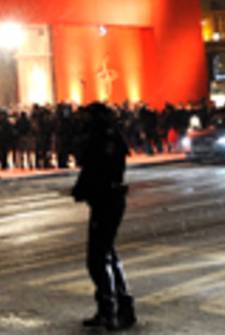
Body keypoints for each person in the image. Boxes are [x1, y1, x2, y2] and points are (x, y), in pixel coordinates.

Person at [72, 103, 136, 331]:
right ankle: (117, 308)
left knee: (98, 259)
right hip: (104, 199)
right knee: (107, 255)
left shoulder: (104, 137)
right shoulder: (104, 135)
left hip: (107, 199)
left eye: (87, 116)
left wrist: (81, 189)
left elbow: (97, 169)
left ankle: (112, 310)